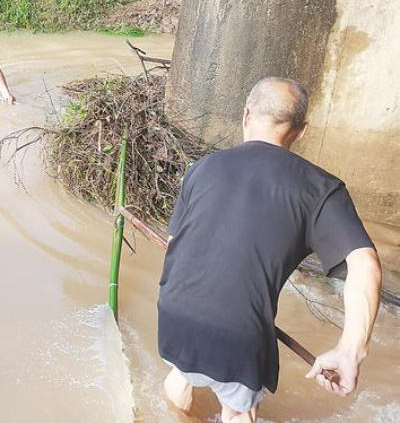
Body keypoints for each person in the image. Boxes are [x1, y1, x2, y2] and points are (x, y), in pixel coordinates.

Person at [158, 77, 382, 422]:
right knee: (240, 411)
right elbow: (365, 265)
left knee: (182, 373)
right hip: (237, 333)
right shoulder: (321, 189)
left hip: (174, 312)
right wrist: (351, 352)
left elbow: (174, 247)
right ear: (301, 131)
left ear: (246, 115)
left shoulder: (201, 168)